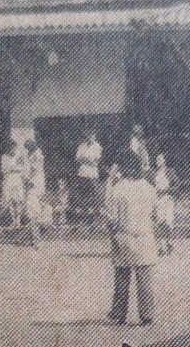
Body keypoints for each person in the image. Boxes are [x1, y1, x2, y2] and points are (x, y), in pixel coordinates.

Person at [107, 150, 158, 326]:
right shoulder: (150, 189)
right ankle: (147, 315)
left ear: (123, 168)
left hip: (123, 234)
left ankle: (119, 313)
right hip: (145, 235)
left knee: (122, 275)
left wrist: (112, 235)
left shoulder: (118, 189)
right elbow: (155, 216)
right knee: (144, 277)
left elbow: (111, 218)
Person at [75, 131, 102, 223]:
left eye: (92, 135)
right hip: (82, 173)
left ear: (94, 136)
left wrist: (85, 159)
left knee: (94, 194)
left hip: (92, 174)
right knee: (83, 194)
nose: (90, 137)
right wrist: (88, 160)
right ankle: (84, 215)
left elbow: (96, 161)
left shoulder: (97, 146)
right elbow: (78, 159)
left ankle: (94, 216)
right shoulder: (81, 146)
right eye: (89, 135)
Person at [1, 140, 28, 227]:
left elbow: (23, 168)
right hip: (9, 179)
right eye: (12, 147)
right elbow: (4, 170)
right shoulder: (4, 157)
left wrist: (17, 169)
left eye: (15, 147)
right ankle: (13, 220)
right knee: (11, 201)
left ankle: (18, 220)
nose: (14, 149)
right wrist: (12, 169)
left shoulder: (19, 156)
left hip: (17, 179)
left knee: (18, 200)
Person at [24, 138, 45, 247]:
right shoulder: (32, 154)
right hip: (32, 183)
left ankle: (37, 239)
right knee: (31, 210)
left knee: (33, 210)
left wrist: (28, 180)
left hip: (34, 183)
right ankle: (34, 238)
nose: (27, 150)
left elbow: (34, 169)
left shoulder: (37, 154)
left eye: (28, 147)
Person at [154, 154, 175, 256]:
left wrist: (166, 190)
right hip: (158, 201)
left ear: (164, 161)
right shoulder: (154, 173)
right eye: (157, 160)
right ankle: (162, 247)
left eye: (160, 159)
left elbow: (176, 185)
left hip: (168, 199)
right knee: (160, 224)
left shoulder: (169, 172)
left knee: (168, 223)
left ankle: (170, 242)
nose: (158, 161)